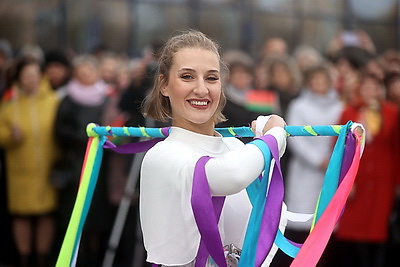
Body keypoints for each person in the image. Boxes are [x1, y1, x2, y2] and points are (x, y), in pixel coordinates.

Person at [140, 30, 288, 266]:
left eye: (211, 78)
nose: (201, 89)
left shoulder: (234, 147)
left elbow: (267, 215)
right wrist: (274, 136)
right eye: (187, 76)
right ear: (164, 85)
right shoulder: (161, 155)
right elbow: (230, 176)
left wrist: (267, 143)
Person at [272, 65, 344, 266]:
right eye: (314, 81)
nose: (318, 85)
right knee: (299, 222)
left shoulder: (339, 106)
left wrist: (332, 160)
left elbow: (343, 137)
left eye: (322, 81)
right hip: (304, 170)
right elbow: (294, 137)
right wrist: (317, 159)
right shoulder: (299, 105)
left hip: (330, 170)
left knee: (323, 221)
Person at [329, 73, 400, 267]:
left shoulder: (391, 113)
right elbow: (338, 148)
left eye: (374, 87)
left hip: (382, 180)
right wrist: (343, 181)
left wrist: (397, 183)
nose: (370, 91)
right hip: (356, 178)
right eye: (366, 87)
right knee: (353, 229)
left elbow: (396, 148)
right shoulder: (349, 113)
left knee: (378, 228)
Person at [0, 56, 60, 267]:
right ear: (19, 78)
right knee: (21, 216)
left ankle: (42, 259)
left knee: (46, 214)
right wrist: (9, 136)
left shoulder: (54, 102)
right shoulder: (9, 106)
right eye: (26, 76)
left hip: (47, 167)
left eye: (35, 75)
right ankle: (25, 259)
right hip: (20, 170)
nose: (31, 79)